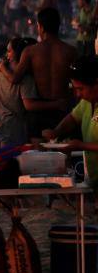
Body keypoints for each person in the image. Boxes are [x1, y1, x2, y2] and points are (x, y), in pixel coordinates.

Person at [0, 7, 78, 138]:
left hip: (39, 113)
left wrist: (2, 67)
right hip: (63, 110)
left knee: (37, 155)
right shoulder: (70, 51)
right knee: (64, 153)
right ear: (58, 25)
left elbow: (14, 78)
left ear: (40, 27)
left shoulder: (31, 51)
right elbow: (78, 82)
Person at [0, 37, 68, 149]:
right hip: (11, 129)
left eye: (9, 51)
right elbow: (29, 105)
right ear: (24, 54)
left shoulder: (1, 71)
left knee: (0, 163)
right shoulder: (25, 78)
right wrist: (57, 104)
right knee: (9, 164)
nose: (7, 54)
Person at [43, 56, 98, 187]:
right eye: (75, 89)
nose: (77, 94)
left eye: (81, 88)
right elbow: (73, 118)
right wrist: (57, 131)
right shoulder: (86, 102)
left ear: (96, 84)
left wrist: (81, 145)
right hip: (93, 178)